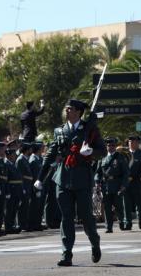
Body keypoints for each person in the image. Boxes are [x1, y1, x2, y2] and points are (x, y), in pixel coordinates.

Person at [35, 98, 104, 266]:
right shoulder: (60, 131)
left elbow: (101, 150)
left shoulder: (90, 129)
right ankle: (67, 253)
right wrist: (40, 177)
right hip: (63, 178)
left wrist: (91, 153)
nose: (67, 111)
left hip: (82, 178)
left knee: (87, 217)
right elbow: (51, 154)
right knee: (66, 217)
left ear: (79, 112)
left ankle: (95, 242)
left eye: (70, 108)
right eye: (66, 108)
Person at [95, 137, 129, 233]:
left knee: (118, 206)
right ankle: (108, 227)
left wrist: (123, 185)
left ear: (115, 146)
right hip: (106, 186)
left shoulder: (120, 157)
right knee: (107, 207)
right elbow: (98, 172)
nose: (111, 147)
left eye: (113, 145)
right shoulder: (103, 158)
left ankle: (122, 222)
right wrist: (97, 182)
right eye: (109, 145)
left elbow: (125, 173)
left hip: (117, 184)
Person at [124, 135, 141, 230]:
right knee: (126, 203)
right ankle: (128, 223)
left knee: (139, 202)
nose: (131, 143)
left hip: (136, 180)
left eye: (133, 141)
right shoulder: (124, 153)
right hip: (125, 181)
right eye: (130, 141)